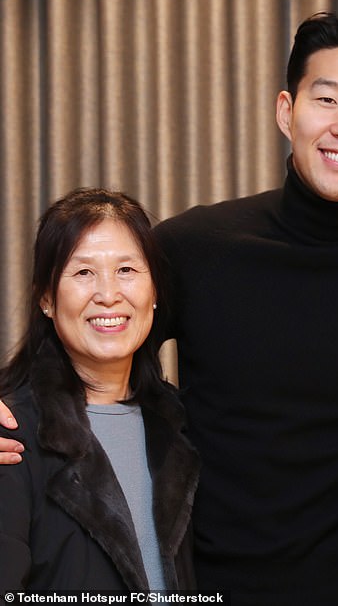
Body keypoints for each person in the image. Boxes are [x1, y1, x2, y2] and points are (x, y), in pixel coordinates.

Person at [0, 12, 338, 604]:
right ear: (286, 111)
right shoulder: (198, 246)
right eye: (327, 99)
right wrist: (13, 408)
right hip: (211, 588)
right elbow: (90, 339)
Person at [0, 188, 199, 591]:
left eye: (126, 270)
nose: (108, 295)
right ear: (47, 299)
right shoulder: (11, 434)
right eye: (83, 272)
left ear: (155, 291)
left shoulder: (182, 424)